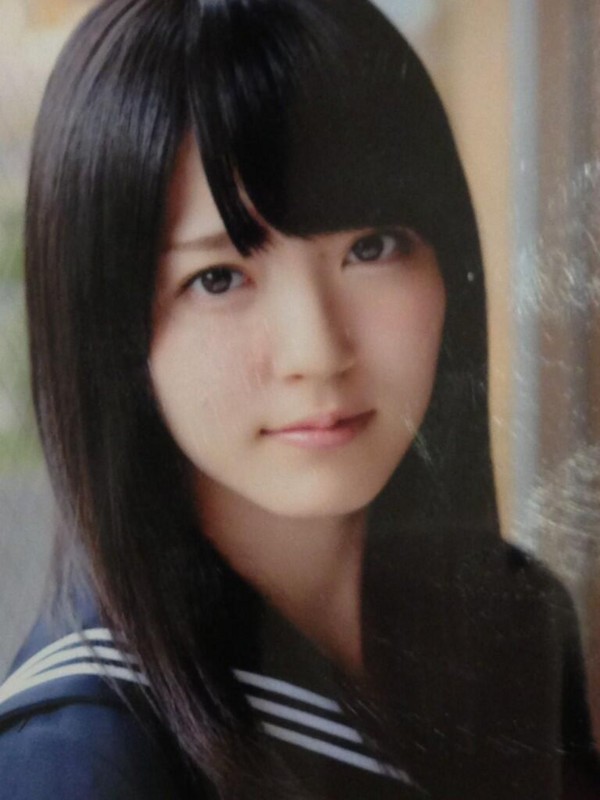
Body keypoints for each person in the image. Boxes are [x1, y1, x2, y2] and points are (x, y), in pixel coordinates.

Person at [0, 0, 597, 797]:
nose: (317, 352)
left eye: (370, 247)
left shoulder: (516, 624)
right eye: (218, 278)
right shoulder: (83, 760)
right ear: (105, 327)